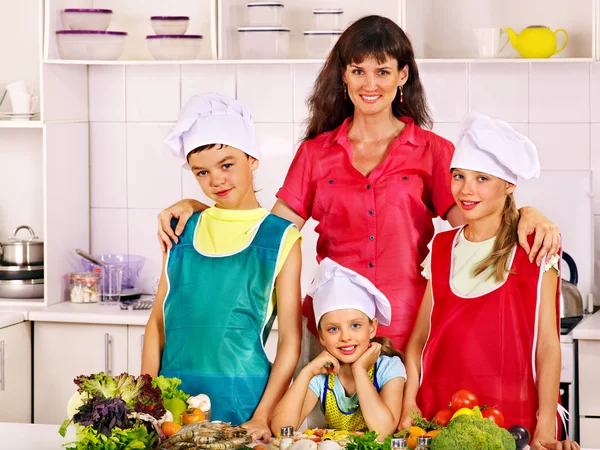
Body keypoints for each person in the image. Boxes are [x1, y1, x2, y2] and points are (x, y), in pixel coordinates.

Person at [155, 15, 560, 353]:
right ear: (343, 77)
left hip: (409, 332)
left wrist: (527, 212)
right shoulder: (316, 153)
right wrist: (199, 208)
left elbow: (474, 229)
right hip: (331, 330)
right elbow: (268, 237)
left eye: (383, 71)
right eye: (359, 71)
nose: (371, 84)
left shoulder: (432, 151)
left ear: (402, 76)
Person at [399, 113, 579, 450]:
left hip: (514, 416)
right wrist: (410, 400)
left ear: (509, 185)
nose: (466, 190)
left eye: (482, 178)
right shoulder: (440, 247)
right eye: (458, 176)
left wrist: (544, 426)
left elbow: (548, 345)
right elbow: (420, 336)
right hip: (438, 416)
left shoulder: (535, 249)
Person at [141, 93, 303, 442]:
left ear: (252, 159)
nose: (216, 180)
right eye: (202, 172)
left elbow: (291, 341)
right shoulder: (181, 228)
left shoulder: (281, 238)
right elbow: (157, 322)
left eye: (227, 165)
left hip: (244, 404)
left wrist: (263, 416)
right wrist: (146, 401)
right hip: (174, 403)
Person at [271, 258, 405, 437]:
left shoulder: (389, 367)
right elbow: (281, 431)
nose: (345, 337)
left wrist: (359, 371)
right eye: (333, 329)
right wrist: (306, 373)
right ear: (321, 337)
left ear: (372, 327)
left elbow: (382, 432)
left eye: (355, 325)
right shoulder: (322, 377)